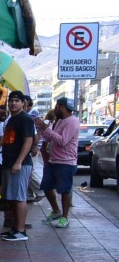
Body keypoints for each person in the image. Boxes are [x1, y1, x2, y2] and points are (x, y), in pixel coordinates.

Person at [37, 97, 81, 228]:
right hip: (53, 160)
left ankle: (65, 218)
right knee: (46, 186)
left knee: (64, 190)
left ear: (61, 107)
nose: (54, 109)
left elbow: (62, 141)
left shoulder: (72, 121)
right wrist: (43, 129)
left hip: (66, 162)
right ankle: (56, 211)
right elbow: (51, 138)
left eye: (56, 107)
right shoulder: (59, 121)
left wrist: (47, 129)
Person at [0, 90, 36, 241]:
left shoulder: (25, 119)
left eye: (17, 101)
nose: (13, 103)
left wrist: (19, 161)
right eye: (11, 100)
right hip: (9, 163)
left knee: (19, 197)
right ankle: (15, 228)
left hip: (20, 164)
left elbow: (29, 141)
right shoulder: (12, 119)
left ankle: (21, 231)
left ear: (23, 103)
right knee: (12, 197)